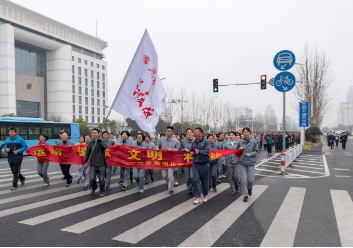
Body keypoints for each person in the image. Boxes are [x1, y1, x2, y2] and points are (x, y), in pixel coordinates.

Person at [186, 127, 210, 204]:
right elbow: (192, 150)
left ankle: (205, 195)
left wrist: (200, 152)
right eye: (194, 132)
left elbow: (207, 151)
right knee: (195, 179)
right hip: (195, 163)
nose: (195, 134)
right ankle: (197, 196)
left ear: (201, 133)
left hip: (204, 164)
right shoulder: (194, 142)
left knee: (204, 181)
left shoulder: (206, 141)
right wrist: (192, 153)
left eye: (196, 132)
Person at [236, 127, 259, 202]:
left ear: (249, 133)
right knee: (243, 180)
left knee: (250, 180)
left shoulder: (254, 142)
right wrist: (239, 150)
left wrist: (250, 154)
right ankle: (245, 195)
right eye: (244, 132)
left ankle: (250, 188)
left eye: (247, 132)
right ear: (242, 133)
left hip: (251, 163)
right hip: (242, 163)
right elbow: (236, 152)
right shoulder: (240, 142)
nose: (246, 133)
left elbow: (256, 151)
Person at [156, 126, 180, 195]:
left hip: (171, 160)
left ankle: (170, 189)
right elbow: (157, 144)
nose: (168, 132)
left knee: (170, 175)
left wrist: (173, 150)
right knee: (164, 176)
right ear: (166, 131)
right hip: (163, 160)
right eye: (167, 131)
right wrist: (157, 147)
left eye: (170, 131)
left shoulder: (175, 141)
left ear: (172, 132)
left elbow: (179, 149)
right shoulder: (161, 139)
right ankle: (169, 182)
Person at [85, 128, 108, 197]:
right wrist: (86, 161)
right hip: (93, 164)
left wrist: (99, 141)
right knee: (92, 178)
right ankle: (94, 187)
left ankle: (102, 191)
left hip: (101, 164)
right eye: (92, 133)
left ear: (98, 134)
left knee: (101, 179)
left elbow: (106, 147)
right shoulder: (90, 143)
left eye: (95, 132)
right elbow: (87, 153)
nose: (94, 134)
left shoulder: (102, 141)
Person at [180, 128, 195, 195]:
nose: (189, 133)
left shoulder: (195, 141)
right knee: (187, 178)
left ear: (192, 133)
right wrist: (184, 149)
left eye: (190, 132)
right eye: (188, 132)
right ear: (186, 134)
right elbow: (179, 148)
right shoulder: (183, 141)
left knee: (192, 176)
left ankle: (194, 187)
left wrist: (193, 151)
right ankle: (189, 189)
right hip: (185, 161)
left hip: (193, 161)